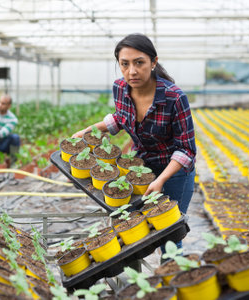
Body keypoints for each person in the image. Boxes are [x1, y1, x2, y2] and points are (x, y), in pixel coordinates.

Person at [73, 33, 196, 253]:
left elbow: (186, 149)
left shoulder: (174, 97)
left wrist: (162, 180)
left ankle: (172, 282)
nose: (132, 71)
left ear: (153, 62)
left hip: (175, 171)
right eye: (125, 64)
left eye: (139, 63)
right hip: (141, 166)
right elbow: (121, 117)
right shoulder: (120, 88)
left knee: (169, 233)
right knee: (134, 228)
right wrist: (86, 131)